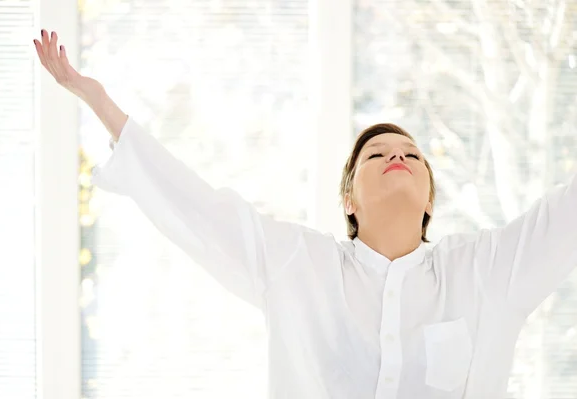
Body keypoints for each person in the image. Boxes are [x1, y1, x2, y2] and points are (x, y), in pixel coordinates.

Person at [34, 29, 577, 399]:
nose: (398, 156)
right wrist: (101, 105)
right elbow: (196, 208)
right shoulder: (298, 264)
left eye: (412, 155)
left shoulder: (486, 271)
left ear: (430, 198)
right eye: (377, 153)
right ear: (348, 199)